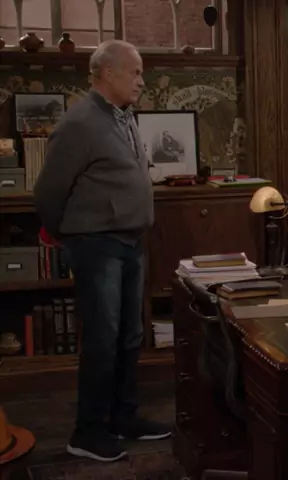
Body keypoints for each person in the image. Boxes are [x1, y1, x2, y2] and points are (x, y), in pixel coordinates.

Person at [33, 40, 172, 463]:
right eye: (136, 72)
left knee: (130, 336)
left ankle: (122, 417)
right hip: (97, 245)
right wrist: (71, 236)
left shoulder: (123, 117)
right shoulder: (80, 123)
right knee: (102, 339)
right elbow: (49, 191)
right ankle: (88, 431)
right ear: (108, 73)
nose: (142, 81)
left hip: (130, 242)